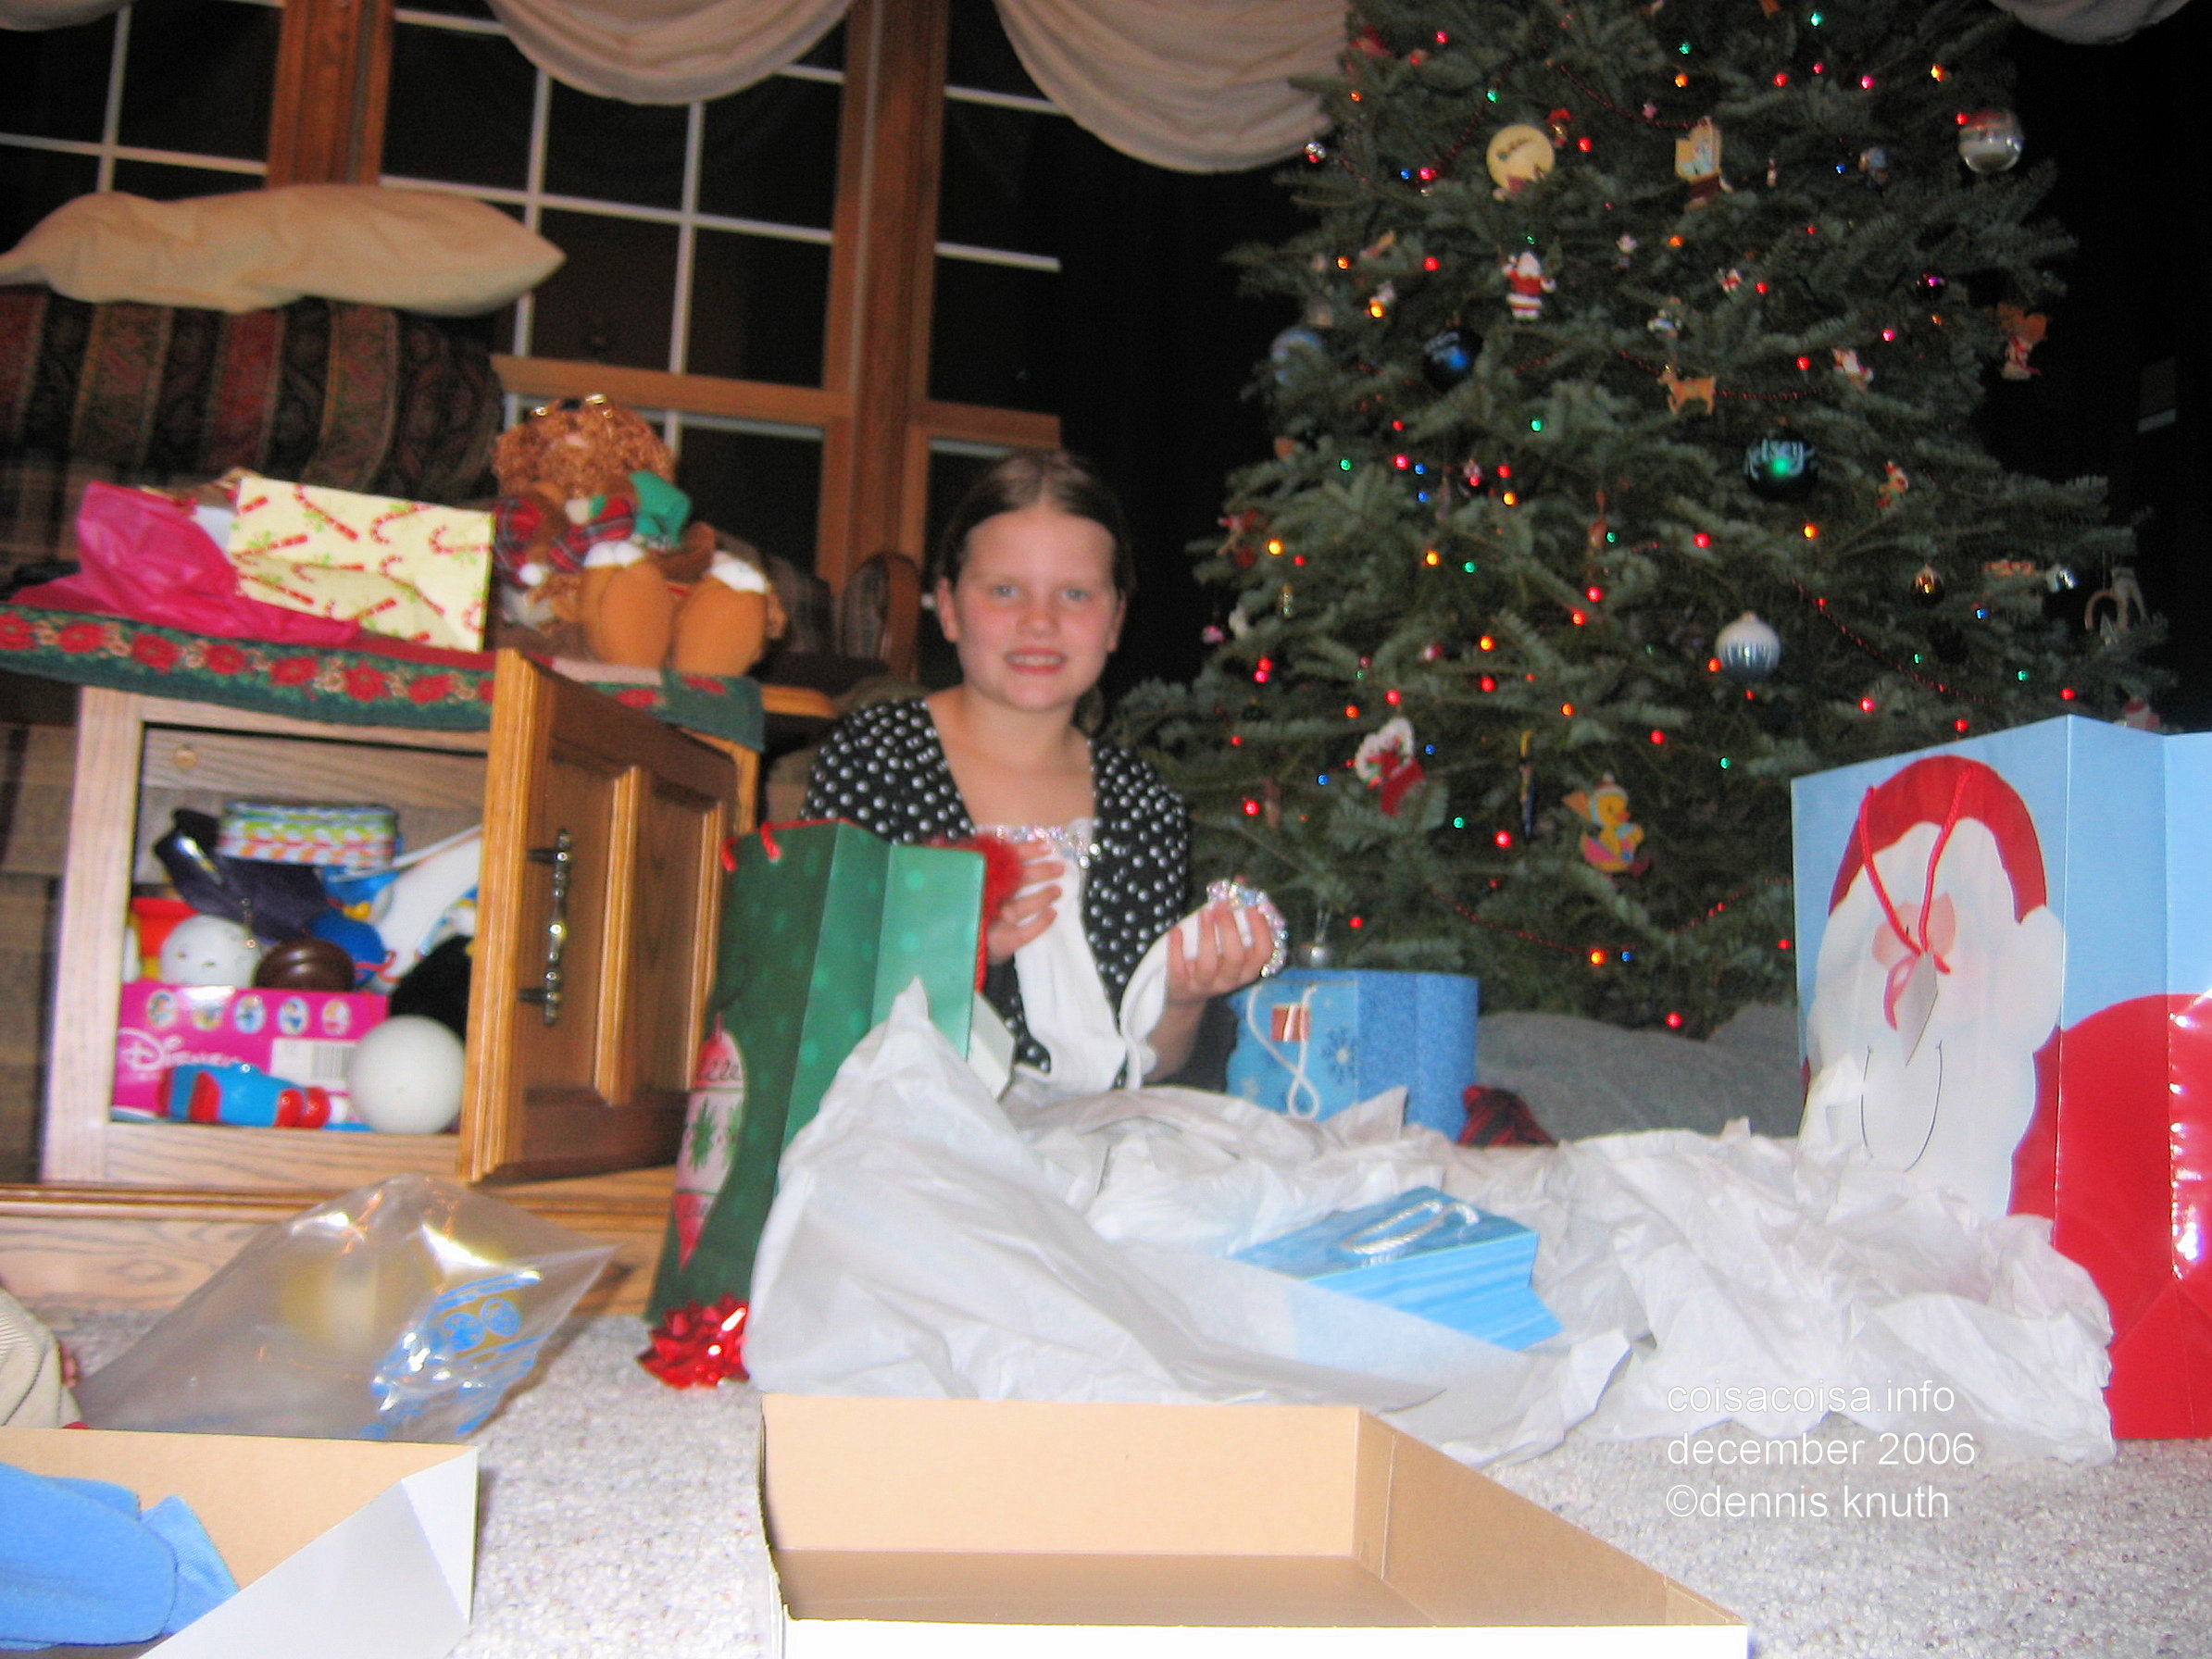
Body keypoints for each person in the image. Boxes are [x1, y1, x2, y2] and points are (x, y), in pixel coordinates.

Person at [801, 449, 1275, 1087]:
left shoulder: (1143, 804)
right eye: (1005, 590)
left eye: (1074, 594)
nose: (1040, 621)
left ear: (1115, 620)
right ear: (949, 607)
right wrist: (959, 952)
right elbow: (817, 987)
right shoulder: (874, 759)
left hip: (1093, 1130)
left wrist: (1185, 999)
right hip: (906, 1117)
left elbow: (1144, 1066)